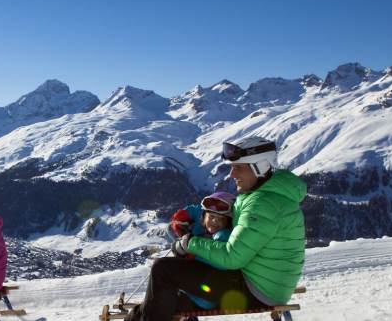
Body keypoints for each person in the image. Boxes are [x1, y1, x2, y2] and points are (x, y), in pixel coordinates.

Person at [128, 136, 306, 321]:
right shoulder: (266, 195)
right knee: (163, 301)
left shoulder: (262, 204)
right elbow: (231, 215)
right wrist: (193, 217)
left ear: (260, 166)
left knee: (164, 270)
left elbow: (232, 257)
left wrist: (190, 243)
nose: (232, 174)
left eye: (238, 167)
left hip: (257, 289)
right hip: (264, 282)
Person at [168, 191, 236, 313]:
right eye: (211, 217)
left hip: (206, 296)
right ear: (203, 218)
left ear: (229, 222)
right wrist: (182, 216)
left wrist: (189, 253)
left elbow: (214, 260)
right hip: (202, 290)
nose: (214, 221)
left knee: (166, 271)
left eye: (221, 219)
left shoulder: (223, 236)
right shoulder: (204, 227)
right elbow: (197, 210)